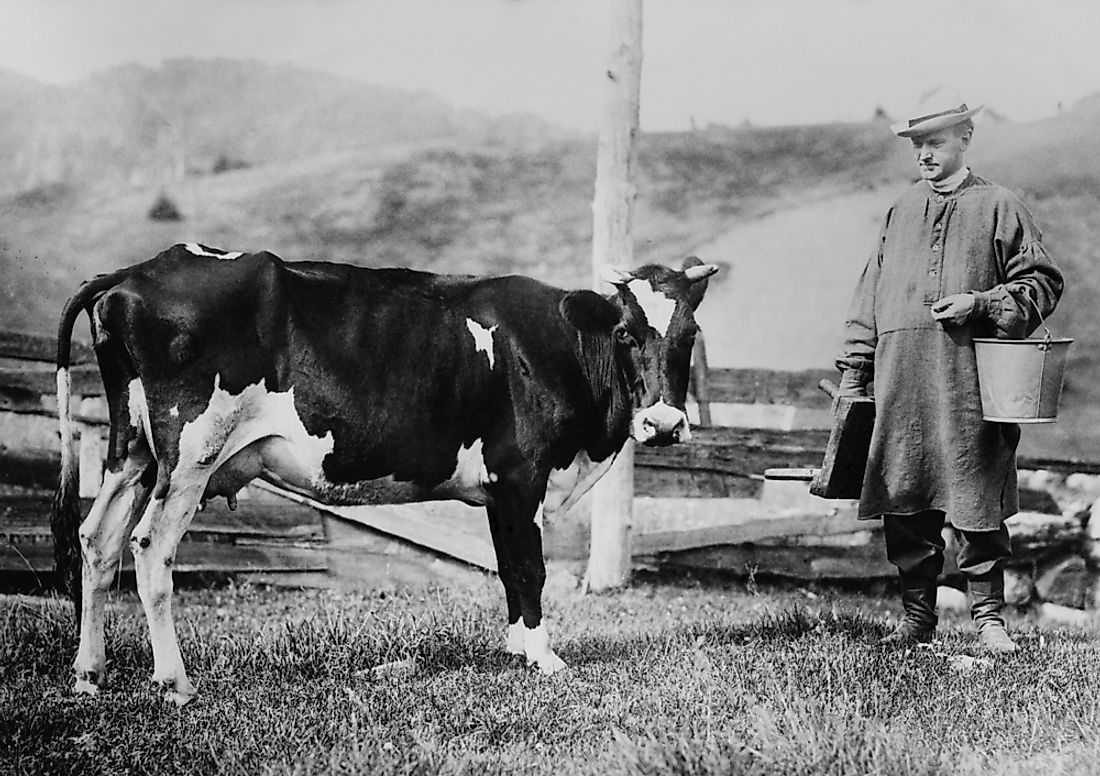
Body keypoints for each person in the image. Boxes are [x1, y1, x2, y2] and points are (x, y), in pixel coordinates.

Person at [835, 93, 1064, 653]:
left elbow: (1042, 283)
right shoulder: (900, 210)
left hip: (968, 382)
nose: (924, 155)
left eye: (935, 142)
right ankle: (917, 617)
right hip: (901, 381)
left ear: (965, 140)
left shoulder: (999, 205)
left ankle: (988, 618)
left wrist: (982, 304)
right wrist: (854, 370)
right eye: (918, 145)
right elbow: (869, 297)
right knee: (905, 492)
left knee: (976, 492)